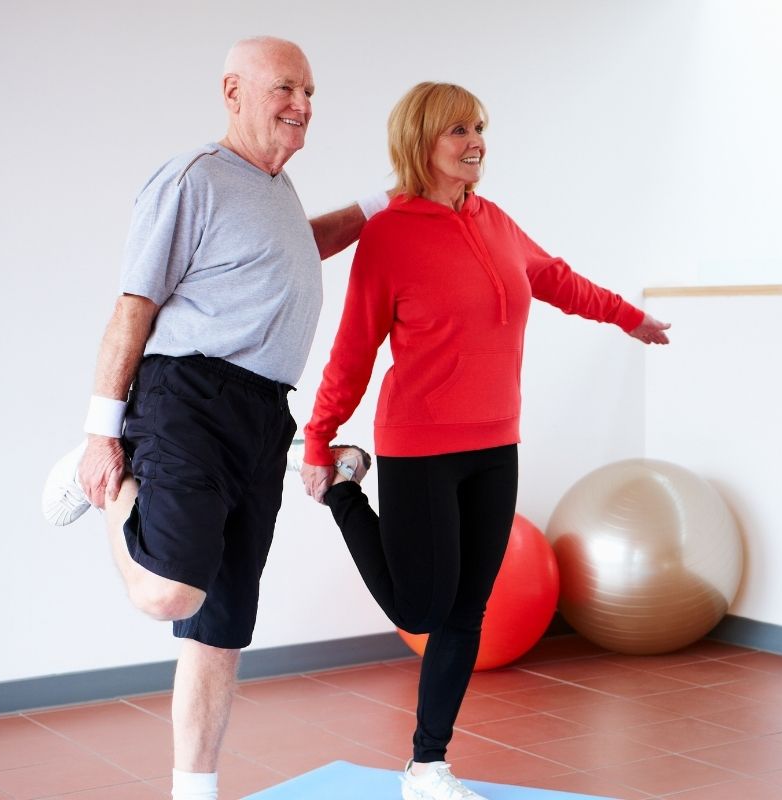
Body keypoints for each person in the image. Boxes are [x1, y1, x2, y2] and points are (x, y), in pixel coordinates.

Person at [39, 37, 390, 800]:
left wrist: (378, 207)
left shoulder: (276, 189)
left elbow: (303, 247)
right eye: (285, 89)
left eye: (310, 92)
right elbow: (133, 306)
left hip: (263, 415)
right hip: (187, 398)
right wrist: (104, 431)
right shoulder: (195, 178)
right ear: (233, 92)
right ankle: (94, 472)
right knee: (169, 592)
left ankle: (191, 793)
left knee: (220, 627)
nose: (302, 105)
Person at [298, 81, 670, 800]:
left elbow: (555, 278)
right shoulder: (389, 235)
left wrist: (627, 317)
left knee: (468, 612)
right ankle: (347, 490)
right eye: (458, 131)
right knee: (419, 611)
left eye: (480, 128)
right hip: (418, 447)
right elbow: (353, 350)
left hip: (495, 445)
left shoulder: (496, 222)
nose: (476, 143)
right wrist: (318, 442)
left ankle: (428, 764)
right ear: (421, 142)